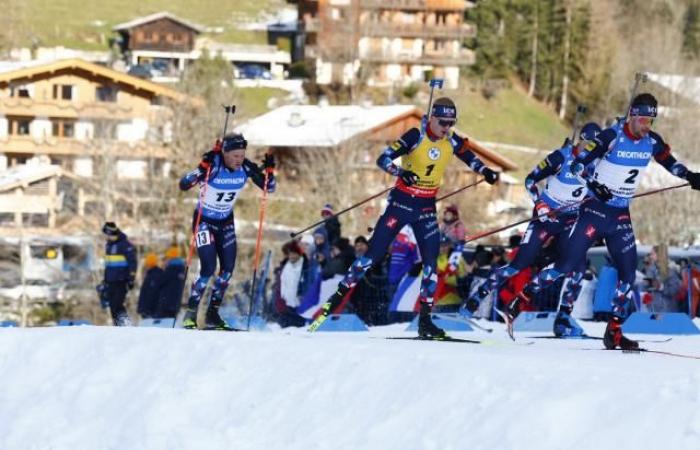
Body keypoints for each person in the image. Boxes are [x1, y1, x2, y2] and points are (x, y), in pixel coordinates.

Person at [507, 93, 700, 349]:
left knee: (628, 275)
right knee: (565, 266)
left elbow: (668, 162)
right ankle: (520, 300)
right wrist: (594, 186)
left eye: (651, 121)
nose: (646, 126)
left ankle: (615, 331)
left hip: (620, 214)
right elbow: (577, 165)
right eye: (643, 119)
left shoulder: (651, 141)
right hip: (594, 210)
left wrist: (688, 175)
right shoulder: (610, 137)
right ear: (632, 114)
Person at [308, 97, 500, 337]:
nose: (446, 127)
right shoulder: (414, 136)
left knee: (431, 264)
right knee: (371, 257)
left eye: (451, 123)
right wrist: (401, 172)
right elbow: (383, 159)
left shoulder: (451, 140)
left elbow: (470, 157)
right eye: (442, 122)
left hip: (426, 208)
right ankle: (330, 306)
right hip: (400, 204)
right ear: (431, 118)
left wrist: (486, 171)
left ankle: (425, 321)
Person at [464, 122, 602, 336]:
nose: (590, 150)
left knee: (578, 269)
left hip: (570, 221)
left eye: (595, 146)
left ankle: (564, 319)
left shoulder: (597, 165)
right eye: (587, 144)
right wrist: (542, 206)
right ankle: (475, 300)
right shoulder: (561, 157)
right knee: (518, 265)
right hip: (546, 217)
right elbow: (530, 180)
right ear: (580, 140)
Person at [179, 133, 276, 330]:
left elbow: (269, 188)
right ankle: (190, 314)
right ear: (225, 153)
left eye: (242, 155)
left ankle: (212, 315)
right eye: (235, 156)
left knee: (227, 270)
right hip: (204, 221)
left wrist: (270, 172)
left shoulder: (245, 167)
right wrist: (201, 168)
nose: (239, 160)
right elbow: (184, 184)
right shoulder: (213, 164)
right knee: (208, 268)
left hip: (225, 223)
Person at [100, 222, 137, 326]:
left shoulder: (125, 245)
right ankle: (117, 326)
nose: (107, 237)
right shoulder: (108, 245)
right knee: (112, 306)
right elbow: (108, 264)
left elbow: (133, 263)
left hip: (121, 280)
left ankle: (125, 324)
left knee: (118, 304)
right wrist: (105, 279)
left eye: (108, 235)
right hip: (110, 281)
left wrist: (131, 279)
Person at [274, 240, 313, 328]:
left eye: (294, 254)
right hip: (286, 304)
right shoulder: (285, 266)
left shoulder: (305, 267)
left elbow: (307, 284)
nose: (291, 256)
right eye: (290, 254)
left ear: (299, 254)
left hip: (299, 304)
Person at [157, 247, 186, 319]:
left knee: (164, 322)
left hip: (167, 301)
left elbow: (160, 282)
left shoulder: (171, 269)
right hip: (176, 301)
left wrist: (161, 269)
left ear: (171, 258)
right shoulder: (181, 268)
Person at [137, 253, 165, 319]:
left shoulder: (152, 276)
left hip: (151, 311)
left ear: (149, 264)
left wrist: (142, 309)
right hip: (154, 310)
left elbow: (148, 294)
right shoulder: (156, 274)